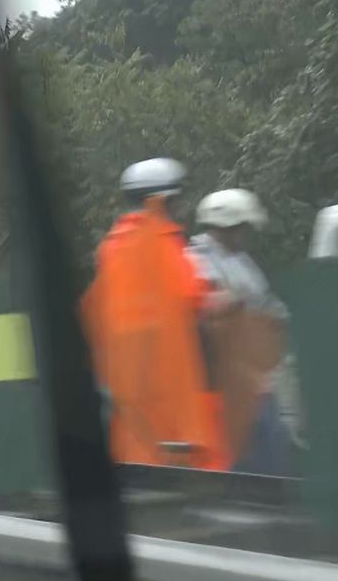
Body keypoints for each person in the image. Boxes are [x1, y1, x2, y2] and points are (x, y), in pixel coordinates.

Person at [80, 158, 229, 470]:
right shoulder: (160, 243)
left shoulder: (112, 248)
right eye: (176, 200)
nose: (180, 208)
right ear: (158, 201)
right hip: (172, 390)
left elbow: (92, 311)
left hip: (128, 396)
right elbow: (197, 300)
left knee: (141, 470)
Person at [186, 189, 293, 475]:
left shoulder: (241, 261)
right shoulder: (197, 261)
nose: (245, 235)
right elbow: (210, 309)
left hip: (256, 376)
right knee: (244, 457)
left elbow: (266, 301)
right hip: (227, 381)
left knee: (272, 449)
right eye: (242, 228)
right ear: (227, 226)